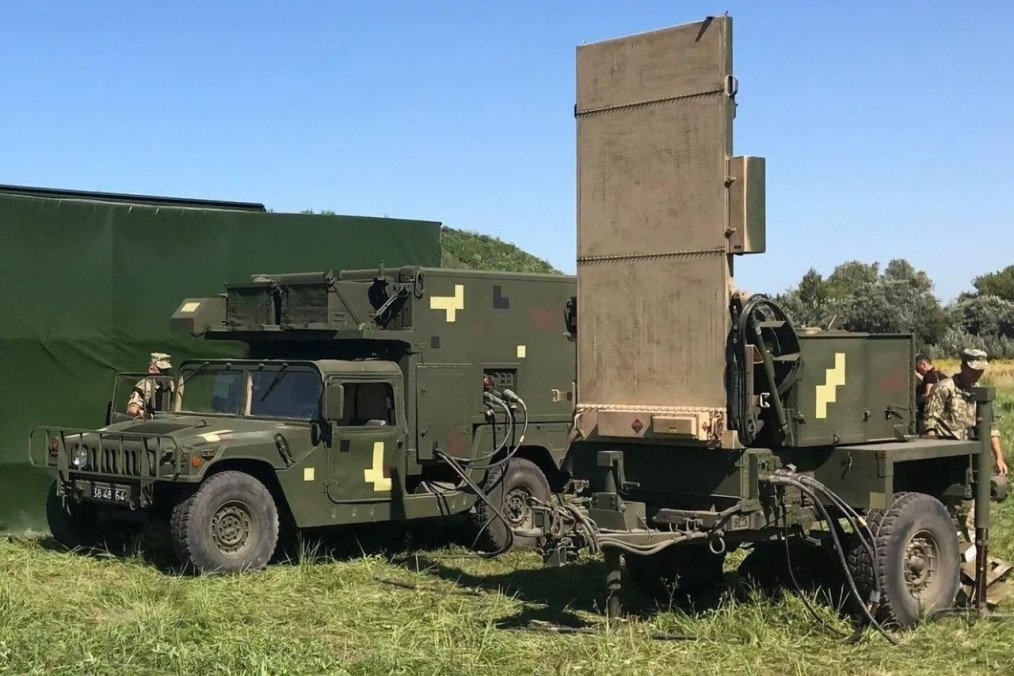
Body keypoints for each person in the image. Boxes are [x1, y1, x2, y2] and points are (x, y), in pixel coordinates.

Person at [924, 348, 1008, 476]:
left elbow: (990, 427)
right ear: (963, 367)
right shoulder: (944, 388)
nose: (977, 374)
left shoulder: (979, 392)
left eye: (980, 370)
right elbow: (930, 424)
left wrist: (999, 459)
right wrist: (933, 455)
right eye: (973, 370)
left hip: (970, 454)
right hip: (946, 455)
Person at [126, 352, 174, 418]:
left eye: (166, 370)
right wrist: (146, 415)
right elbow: (132, 410)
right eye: (161, 370)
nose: (164, 373)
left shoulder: (170, 383)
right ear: (151, 370)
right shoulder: (144, 385)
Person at [914, 354, 945, 434]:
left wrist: (916, 400)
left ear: (923, 364)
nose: (918, 370)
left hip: (928, 414)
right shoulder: (938, 374)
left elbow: (928, 394)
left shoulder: (929, 375)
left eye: (918, 367)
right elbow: (930, 382)